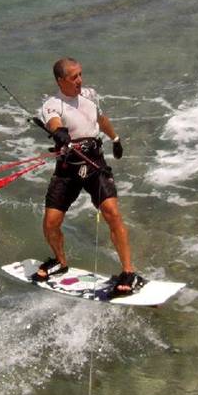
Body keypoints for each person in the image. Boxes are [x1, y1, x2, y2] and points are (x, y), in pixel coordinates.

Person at [36, 57, 143, 296]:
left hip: (94, 162)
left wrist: (115, 139)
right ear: (61, 80)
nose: (80, 81)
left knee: (112, 213)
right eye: (74, 77)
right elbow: (53, 121)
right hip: (68, 168)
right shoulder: (52, 104)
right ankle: (60, 262)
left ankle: (128, 271)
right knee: (51, 222)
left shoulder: (90, 95)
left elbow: (100, 119)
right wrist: (60, 132)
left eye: (81, 74)